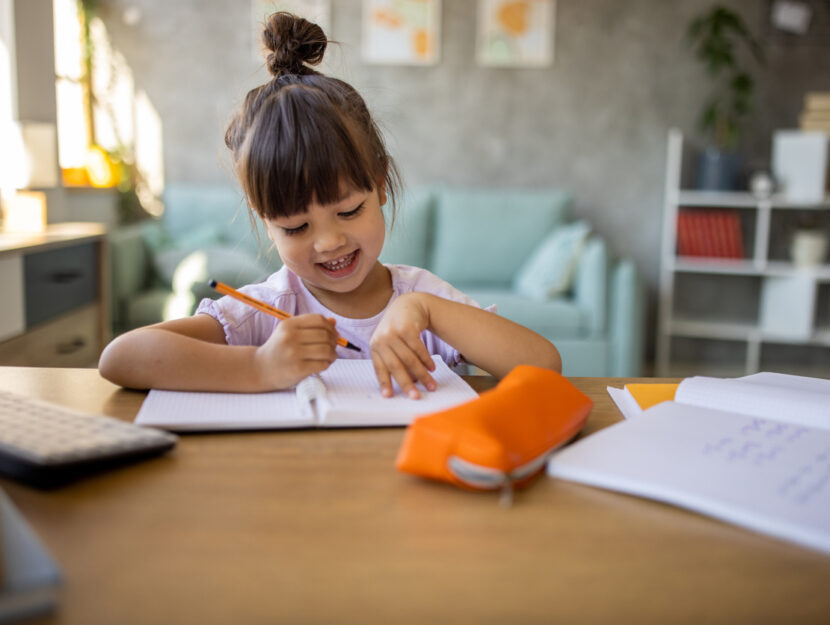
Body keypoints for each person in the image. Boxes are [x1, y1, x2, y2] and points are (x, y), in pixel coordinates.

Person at [98, 12, 561, 399]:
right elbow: (120, 358)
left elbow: (544, 367)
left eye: (348, 211)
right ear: (267, 223)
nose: (329, 241)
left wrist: (426, 310)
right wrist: (259, 367)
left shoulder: (423, 302)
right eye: (296, 227)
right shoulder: (268, 310)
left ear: (379, 186)